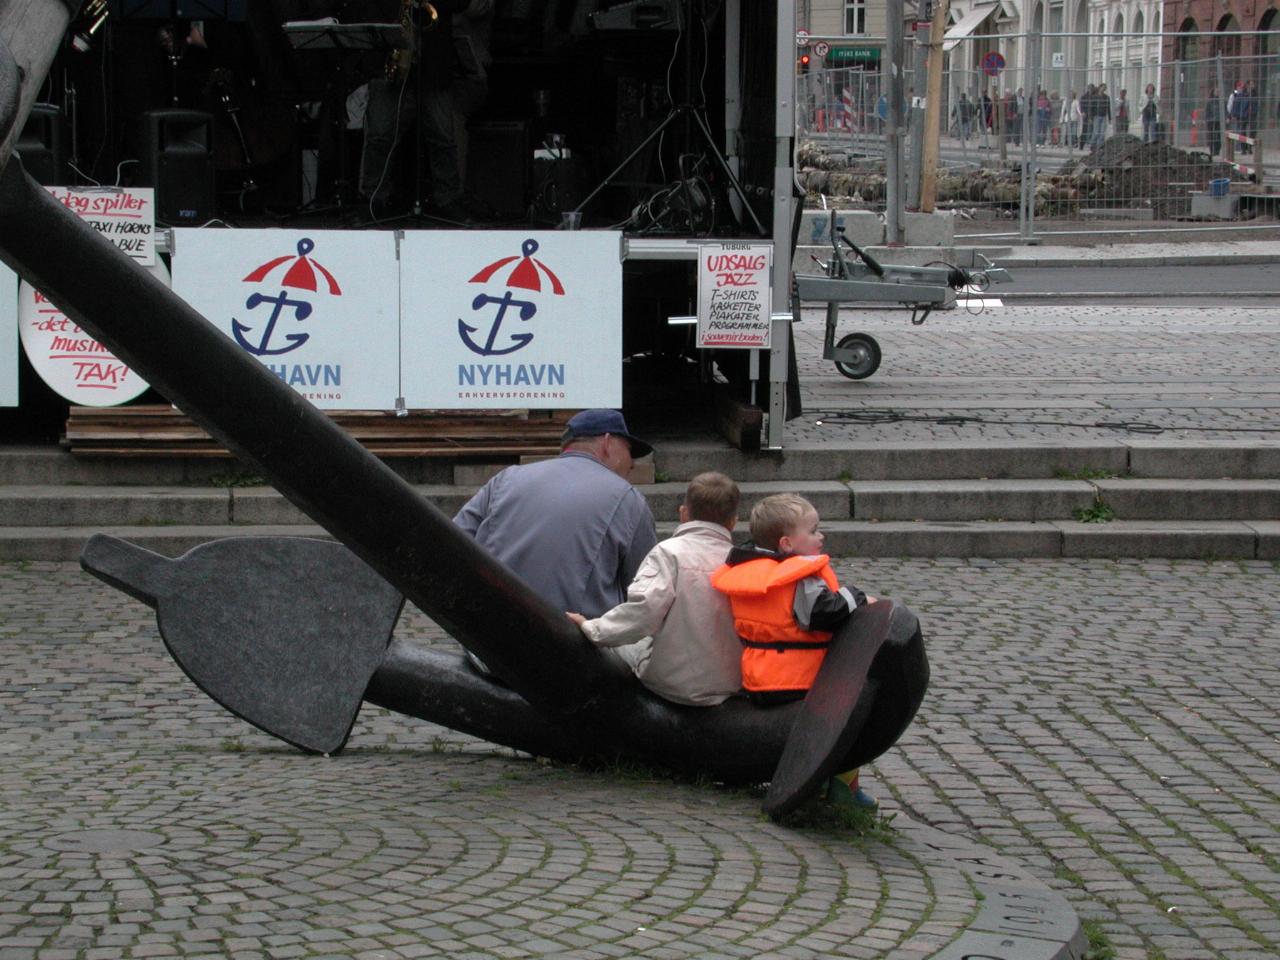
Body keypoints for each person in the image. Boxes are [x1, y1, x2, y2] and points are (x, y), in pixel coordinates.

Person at [711, 493, 877, 808]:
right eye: (813, 531)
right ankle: (843, 787)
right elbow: (823, 612)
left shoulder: (750, 572)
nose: (821, 536)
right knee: (851, 713)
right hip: (798, 680)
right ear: (787, 544)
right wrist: (858, 596)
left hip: (759, 678)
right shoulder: (800, 577)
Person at [454, 408, 658, 627]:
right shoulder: (628, 499)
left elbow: (455, 540)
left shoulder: (507, 478)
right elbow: (646, 590)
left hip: (486, 633)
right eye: (629, 451)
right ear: (607, 442)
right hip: (572, 646)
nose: (632, 463)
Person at [567, 472, 742, 707]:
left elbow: (644, 613)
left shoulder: (668, 553)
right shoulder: (740, 562)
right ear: (733, 522)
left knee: (621, 645)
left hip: (673, 683)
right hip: (732, 681)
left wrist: (592, 628)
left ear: (683, 514)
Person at [359, 0, 471, 221]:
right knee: (380, 135)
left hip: (433, 61)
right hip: (389, 55)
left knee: (442, 137)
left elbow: (462, 3)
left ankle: (448, 199)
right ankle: (373, 199)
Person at [1206, 86, 1222, 158]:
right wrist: (1208, 119)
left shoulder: (1221, 101)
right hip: (1211, 121)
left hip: (1219, 121)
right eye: (1216, 91)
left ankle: (1217, 150)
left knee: (1218, 136)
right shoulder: (1210, 102)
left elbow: (1224, 110)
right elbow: (1207, 112)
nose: (1218, 93)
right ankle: (1212, 151)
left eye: (1219, 92)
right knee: (1212, 136)